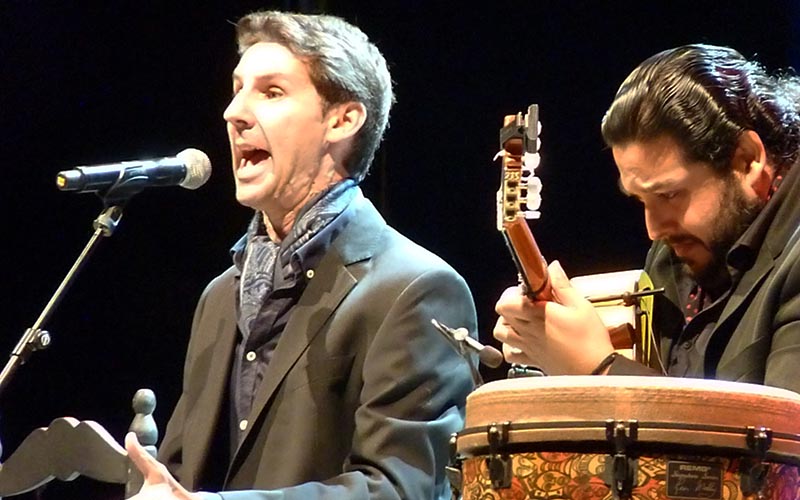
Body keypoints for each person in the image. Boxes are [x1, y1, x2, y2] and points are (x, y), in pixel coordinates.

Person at [123, 10, 478, 500]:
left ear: (343, 120)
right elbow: (183, 475)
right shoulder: (220, 296)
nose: (233, 112)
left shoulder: (416, 290)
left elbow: (401, 489)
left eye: (271, 92)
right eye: (237, 88)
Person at [493, 44, 800, 393]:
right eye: (640, 200)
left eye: (669, 195)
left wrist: (599, 370)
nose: (653, 230)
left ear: (747, 160)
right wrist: (549, 350)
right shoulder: (675, 254)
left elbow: (784, 425)